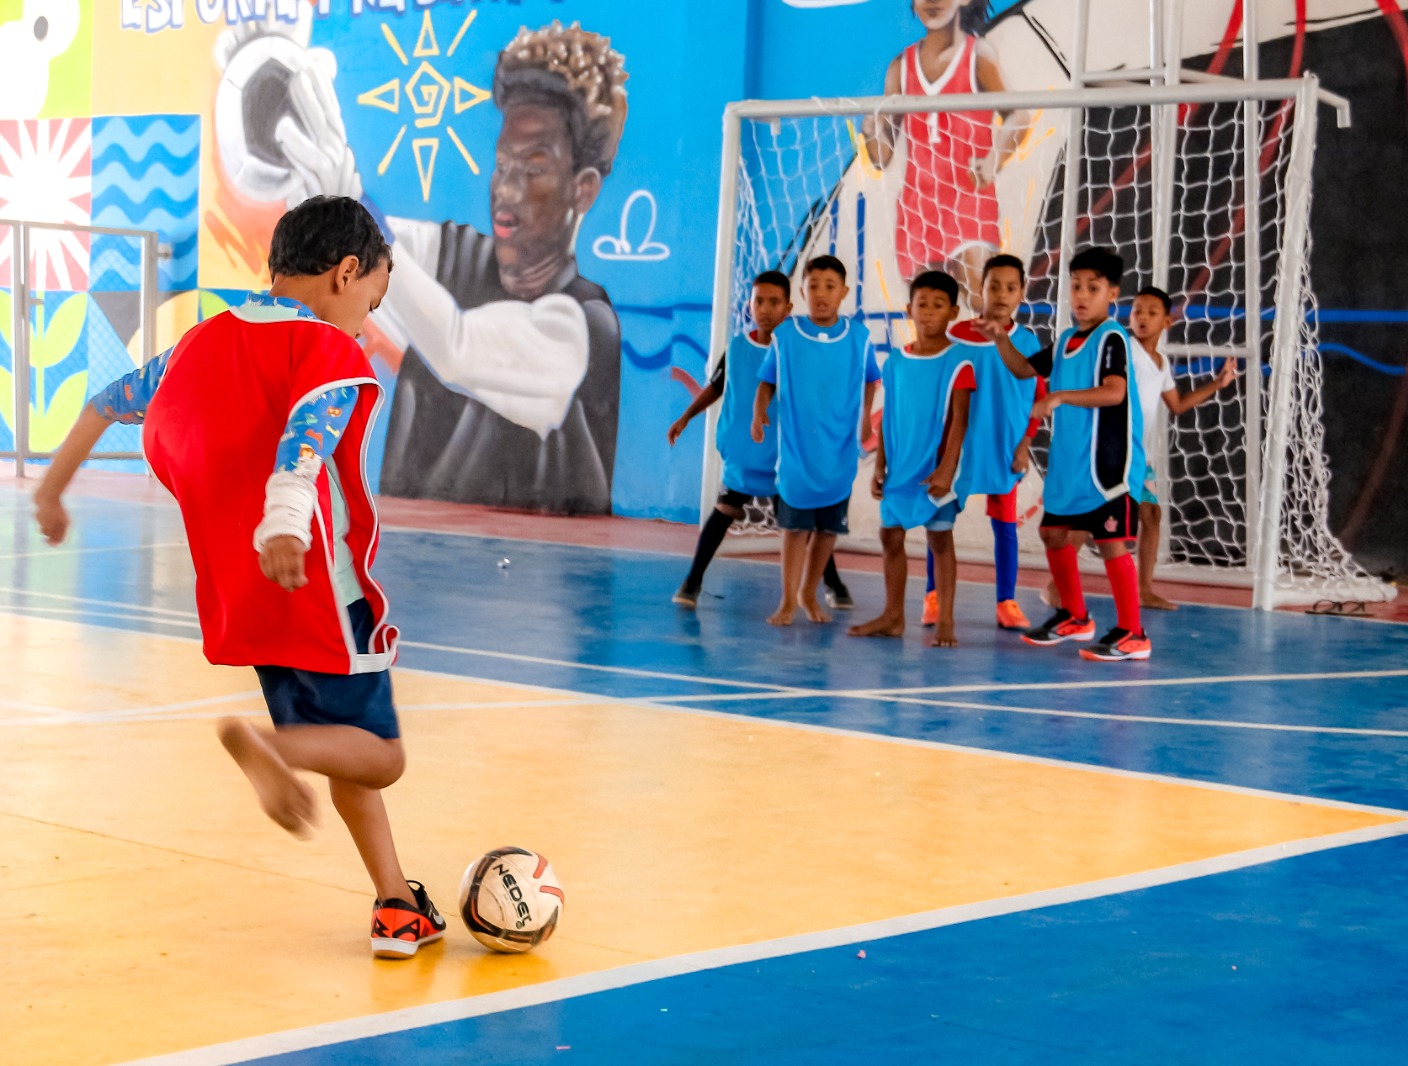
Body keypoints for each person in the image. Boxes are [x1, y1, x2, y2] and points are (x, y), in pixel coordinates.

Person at [31, 196, 446, 959]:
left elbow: (105, 400)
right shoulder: (325, 347)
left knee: (337, 741)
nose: (366, 324)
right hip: (320, 586)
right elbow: (306, 439)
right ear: (345, 273)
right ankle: (269, 745)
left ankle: (395, 903)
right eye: (371, 303)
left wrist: (52, 488)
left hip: (248, 599)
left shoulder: (202, 342)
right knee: (380, 755)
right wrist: (285, 521)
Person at [266, 20, 629, 513]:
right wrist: (312, 178)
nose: (506, 188)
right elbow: (378, 259)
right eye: (503, 165)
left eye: (535, 168)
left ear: (582, 189)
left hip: (538, 577)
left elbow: (455, 345)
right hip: (418, 562)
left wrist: (355, 207)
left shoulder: (582, 327)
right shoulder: (461, 258)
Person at [981, 246, 1151, 662]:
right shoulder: (1064, 342)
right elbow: (1022, 369)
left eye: (1092, 288)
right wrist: (1002, 339)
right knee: (1053, 533)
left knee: (1111, 543)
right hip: (1071, 466)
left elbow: (1114, 392)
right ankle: (1076, 617)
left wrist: (1058, 397)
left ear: (1112, 294)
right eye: (1075, 286)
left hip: (1107, 464)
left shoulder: (1111, 336)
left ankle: (1134, 633)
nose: (1081, 295)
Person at [667, 271, 854, 609]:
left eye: (774, 302)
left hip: (786, 456)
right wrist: (685, 417)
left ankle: (833, 584)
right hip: (746, 454)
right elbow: (716, 387)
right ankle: (692, 581)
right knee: (723, 511)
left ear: (788, 308)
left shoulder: (797, 349)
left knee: (802, 525)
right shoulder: (738, 348)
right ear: (750, 306)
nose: (765, 309)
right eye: (759, 302)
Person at [863, 0, 1027, 308]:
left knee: (982, 302)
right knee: (928, 313)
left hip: (968, 198)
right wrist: (872, 131)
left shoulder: (978, 55)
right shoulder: (901, 67)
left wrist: (994, 159)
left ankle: (990, 357)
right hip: (919, 207)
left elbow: (1018, 116)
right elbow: (881, 156)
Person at [752, 255, 880, 626]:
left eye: (829, 286)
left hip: (837, 452)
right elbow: (767, 381)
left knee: (827, 530)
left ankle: (810, 590)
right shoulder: (787, 336)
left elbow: (871, 378)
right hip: (797, 454)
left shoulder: (859, 337)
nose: (821, 294)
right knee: (794, 529)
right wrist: (759, 411)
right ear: (803, 292)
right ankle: (788, 599)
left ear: (843, 292)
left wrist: (866, 421)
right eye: (813, 287)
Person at [922, 252, 1045, 631]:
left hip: (1004, 450)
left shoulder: (1027, 341)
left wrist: (1024, 444)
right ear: (981, 288)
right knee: (940, 523)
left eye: (1011, 287)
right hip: (956, 451)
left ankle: (1006, 601)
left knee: (1005, 526)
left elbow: (1038, 399)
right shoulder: (955, 336)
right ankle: (933, 594)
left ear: (1022, 293)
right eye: (994, 286)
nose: (1002, 294)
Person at [850, 271, 973, 647]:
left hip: (935, 470)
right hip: (900, 468)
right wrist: (880, 464)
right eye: (922, 304)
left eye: (939, 306)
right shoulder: (896, 363)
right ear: (909, 309)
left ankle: (946, 620)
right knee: (890, 535)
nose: (929, 312)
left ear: (953, 311)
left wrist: (947, 470)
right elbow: (890, 415)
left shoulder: (960, 361)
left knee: (940, 541)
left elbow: (960, 422)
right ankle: (893, 615)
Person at [1127, 286, 1237, 610]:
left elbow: (1177, 405)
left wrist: (1218, 383)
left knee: (1151, 515)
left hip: (1139, 453)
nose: (1142, 318)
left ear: (1167, 322)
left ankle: (1143, 589)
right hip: (1119, 453)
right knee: (1101, 522)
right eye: (1137, 311)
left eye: (1151, 312)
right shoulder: (1123, 350)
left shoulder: (1160, 364)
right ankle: (1056, 585)